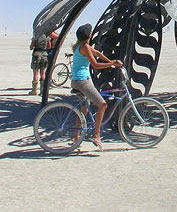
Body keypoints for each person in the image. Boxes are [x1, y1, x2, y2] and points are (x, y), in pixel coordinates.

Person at [71, 23, 122, 151]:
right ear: (89, 35)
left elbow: (98, 53)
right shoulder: (85, 47)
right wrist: (110, 65)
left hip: (78, 80)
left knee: (84, 110)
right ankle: (96, 135)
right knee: (102, 105)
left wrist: (111, 61)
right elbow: (95, 65)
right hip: (83, 81)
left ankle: (75, 138)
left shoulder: (81, 46)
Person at [29, 31, 59, 95]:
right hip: (44, 55)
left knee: (35, 73)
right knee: (43, 73)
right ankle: (42, 91)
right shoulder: (47, 35)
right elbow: (49, 46)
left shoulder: (36, 35)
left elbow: (31, 47)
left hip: (36, 54)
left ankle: (34, 90)